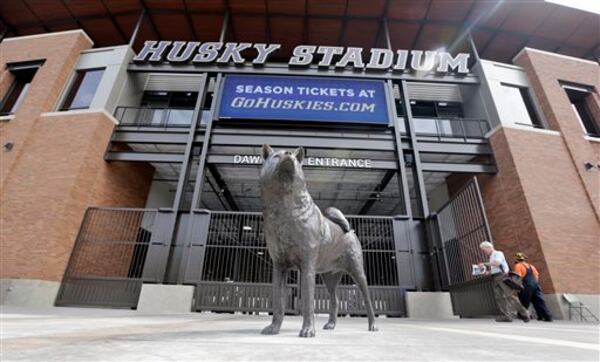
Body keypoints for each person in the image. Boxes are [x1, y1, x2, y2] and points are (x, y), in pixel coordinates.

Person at [478, 241, 530, 322]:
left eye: (484, 250)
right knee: (499, 298)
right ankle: (506, 316)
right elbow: (495, 268)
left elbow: (497, 262)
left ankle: (524, 313)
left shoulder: (498, 253)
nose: (484, 252)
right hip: (495, 277)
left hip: (502, 276)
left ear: (489, 247)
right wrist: (486, 272)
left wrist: (485, 264)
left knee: (510, 296)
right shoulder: (491, 256)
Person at [514, 252, 553, 322]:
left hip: (526, 285)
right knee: (539, 301)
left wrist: (518, 287)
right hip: (536, 285)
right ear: (524, 259)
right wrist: (535, 284)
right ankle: (546, 316)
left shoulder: (518, 266)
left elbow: (518, 277)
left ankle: (522, 315)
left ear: (516, 259)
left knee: (524, 301)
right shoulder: (531, 266)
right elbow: (536, 276)